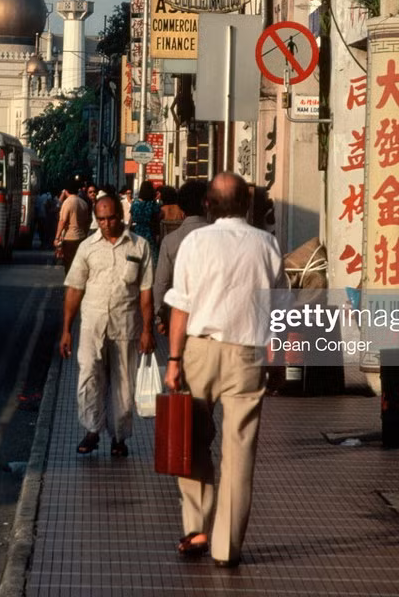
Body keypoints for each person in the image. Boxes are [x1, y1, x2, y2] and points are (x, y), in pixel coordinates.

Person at [163, 172, 285, 568]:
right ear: (247, 204)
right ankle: (226, 547)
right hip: (248, 354)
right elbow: (280, 306)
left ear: (208, 205)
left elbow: (180, 306)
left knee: (193, 439)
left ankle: (197, 526)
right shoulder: (267, 244)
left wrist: (174, 360)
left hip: (200, 350)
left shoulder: (195, 242)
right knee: (239, 451)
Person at [59, 195, 155, 458]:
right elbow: (74, 289)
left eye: (111, 217)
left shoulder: (140, 246)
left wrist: (148, 329)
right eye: (101, 219)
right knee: (89, 375)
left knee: (124, 383)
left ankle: (119, 437)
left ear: (120, 216)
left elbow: (146, 292)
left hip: (126, 325)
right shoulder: (87, 248)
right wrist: (66, 330)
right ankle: (92, 430)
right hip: (92, 324)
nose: (106, 223)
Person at [152, 179, 208, 334]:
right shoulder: (222, 237)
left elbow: (161, 283)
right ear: (207, 204)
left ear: (181, 207)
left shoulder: (170, 241)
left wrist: (160, 316)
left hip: (181, 316)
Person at [54, 186, 91, 273]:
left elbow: (63, 221)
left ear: (66, 191)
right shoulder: (83, 203)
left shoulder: (68, 202)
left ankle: (71, 284)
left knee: (69, 264)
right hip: (81, 237)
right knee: (79, 264)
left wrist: (57, 237)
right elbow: (86, 222)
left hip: (70, 238)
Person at [129, 180, 162, 264]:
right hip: (150, 231)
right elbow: (157, 220)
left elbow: (131, 219)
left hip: (137, 231)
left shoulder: (135, 203)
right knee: (151, 256)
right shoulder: (153, 205)